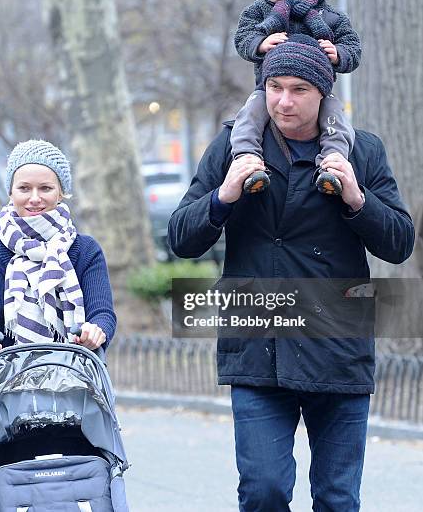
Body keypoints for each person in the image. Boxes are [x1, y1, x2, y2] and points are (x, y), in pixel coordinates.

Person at [168, 37, 415, 512]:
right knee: (264, 490)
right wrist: (224, 195)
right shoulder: (234, 147)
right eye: (274, 87)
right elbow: (181, 238)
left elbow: (399, 243)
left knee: (338, 498)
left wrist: (357, 199)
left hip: (338, 344)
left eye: (299, 88)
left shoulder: (361, 150)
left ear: (324, 93)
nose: (283, 100)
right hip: (258, 345)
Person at [0, 139, 116, 369]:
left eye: (45, 188)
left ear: (61, 193)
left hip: (74, 375)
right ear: (10, 191)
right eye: (24, 188)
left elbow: (102, 312)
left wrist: (96, 331)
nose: (34, 198)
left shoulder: (86, 251)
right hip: (2, 380)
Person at [233, 0, 361, 195]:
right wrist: (260, 43)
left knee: (336, 119)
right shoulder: (260, 12)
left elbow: (353, 48)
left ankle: (332, 166)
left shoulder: (331, 18)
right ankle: (248, 161)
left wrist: (337, 53)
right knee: (249, 116)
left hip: (316, 93)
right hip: (267, 89)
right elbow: (243, 37)